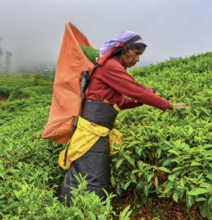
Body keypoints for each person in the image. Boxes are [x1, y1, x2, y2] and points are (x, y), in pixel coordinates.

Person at [59, 31, 186, 205]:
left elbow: (120, 102)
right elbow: (136, 90)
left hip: (98, 131)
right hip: (92, 130)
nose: (137, 60)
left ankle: (83, 208)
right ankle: (77, 209)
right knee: (90, 172)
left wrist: (141, 100)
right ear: (124, 50)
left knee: (93, 171)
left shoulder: (112, 68)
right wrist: (167, 105)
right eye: (136, 54)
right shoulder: (111, 66)